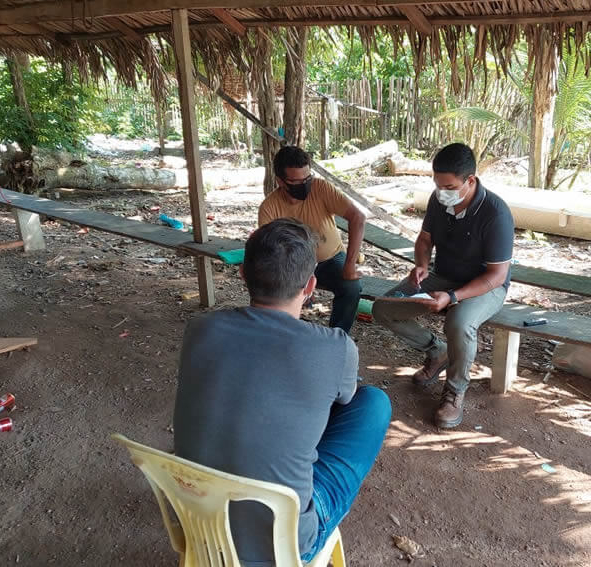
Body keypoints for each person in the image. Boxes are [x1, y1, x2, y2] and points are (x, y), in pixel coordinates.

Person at [173, 218, 391, 566]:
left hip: (196, 521)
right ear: (311, 286)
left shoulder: (200, 328)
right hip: (284, 545)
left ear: (242, 274)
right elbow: (344, 403)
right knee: (373, 402)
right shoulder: (336, 348)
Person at [372, 143, 514, 429]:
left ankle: (455, 391)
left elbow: (497, 275)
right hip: (443, 275)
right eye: (437, 185)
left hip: (485, 286)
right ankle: (437, 351)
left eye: (449, 187)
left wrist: (452, 296)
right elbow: (425, 239)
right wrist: (422, 265)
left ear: (470, 180)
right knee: (383, 309)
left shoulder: (495, 213)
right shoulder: (440, 200)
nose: (441, 192)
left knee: (459, 323)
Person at [258, 146, 366, 333]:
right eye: (296, 181)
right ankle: (286, 335)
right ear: (280, 181)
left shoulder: (321, 188)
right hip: (293, 264)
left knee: (351, 288)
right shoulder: (269, 207)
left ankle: (338, 337)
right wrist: (298, 277)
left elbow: (358, 217)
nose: (305, 185)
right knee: (275, 292)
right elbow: (270, 251)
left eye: (307, 178)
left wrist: (349, 265)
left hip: (330, 259)